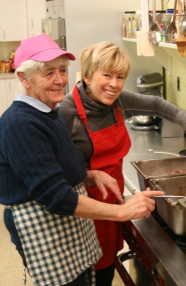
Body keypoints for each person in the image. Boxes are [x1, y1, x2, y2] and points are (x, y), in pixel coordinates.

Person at [0, 34, 164, 286]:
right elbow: (57, 197)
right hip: (43, 226)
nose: (60, 80)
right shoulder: (20, 123)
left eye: (63, 71)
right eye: (48, 73)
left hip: (67, 224)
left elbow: (53, 168)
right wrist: (121, 212)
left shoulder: (48, 112)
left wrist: (89, 175)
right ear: (24, 78)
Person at [59, 41, 186, 286]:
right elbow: (54, 170)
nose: (114, 84)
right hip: (81, 210)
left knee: (104, 271)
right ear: (88, 76)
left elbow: (156, 104)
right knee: (84, 274)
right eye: (107, 75)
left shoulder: (119, 102)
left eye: (120, 77)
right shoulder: (66, 112)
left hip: (112, 202)